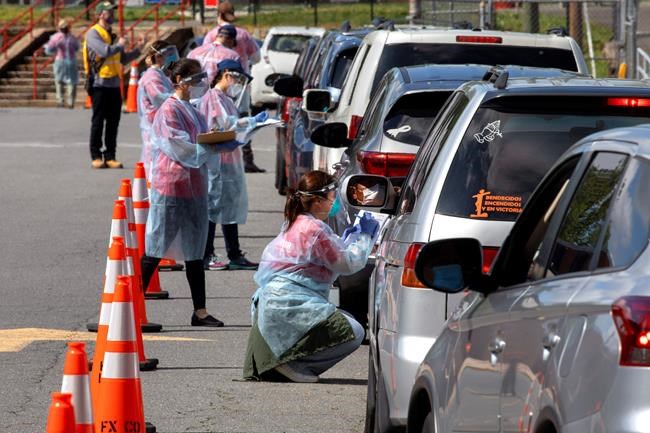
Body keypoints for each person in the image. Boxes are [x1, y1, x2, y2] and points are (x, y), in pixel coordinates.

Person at [243, 170, 379, 382]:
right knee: (354, 332)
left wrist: (345, 241)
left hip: (275, 303)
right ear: (317, 202)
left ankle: (286, 363)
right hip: (288, 304)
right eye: (332, 199)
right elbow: (347, 264)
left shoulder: (296, 222)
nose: (334, 204)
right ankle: (295, 365)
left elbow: (326, 256)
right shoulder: (314, 229)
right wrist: (363, 237)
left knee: (347, 320)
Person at [139, 58, 224, 327]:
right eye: (195, 79)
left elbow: (198, 141)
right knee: (155, 248)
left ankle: (200, 311)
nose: (200, 84)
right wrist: (206, 147)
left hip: (194, 187)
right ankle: (131, 308)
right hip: (172, 186)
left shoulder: (193, 110)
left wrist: (214, 138)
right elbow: (179, 146)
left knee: (195, 251)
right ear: (181, 82)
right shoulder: (169, 110)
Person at [197, 59, 267, 271]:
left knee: (228, 208)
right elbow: (225, 124)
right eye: (236, 77)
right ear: (225, 74)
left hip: (228, 158)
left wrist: (251, 123)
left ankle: (234, 253)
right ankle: (206, 254)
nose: (237, 82)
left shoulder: (223, 98)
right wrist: (251, 122)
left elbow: (231, 124)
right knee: (213, 208)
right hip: (218, 159)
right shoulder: (213, 98)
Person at [202, 0, 265, 173]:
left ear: (218, 15)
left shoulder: (210, 35)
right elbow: (257, 58)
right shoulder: (243, 34)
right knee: (242, 120)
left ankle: (218, 158)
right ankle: (246, 159)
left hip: (213, 87)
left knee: (214, 122)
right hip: (240, 86)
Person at [84, 1, 142, 169]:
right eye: (109, 12)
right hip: (99, 84)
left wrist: (138, 49)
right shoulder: (93, 33)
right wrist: (119, 45)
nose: (113, 15)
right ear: (101, 14)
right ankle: (96, 155)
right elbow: (104, 51)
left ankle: (110, 156)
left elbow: (122, 59)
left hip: (114, 84)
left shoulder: (114, 35)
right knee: (98, 121)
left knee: (113, 122)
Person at [137, 40, 177, 178]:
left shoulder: (161, 75)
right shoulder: (152, 77)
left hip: (159, 129)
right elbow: (161, 99)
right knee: (154, 174)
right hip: (153, 129)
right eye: (169, 54)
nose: (172, 58)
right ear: (159, 56)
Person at [43, 19, 80, 109]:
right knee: (71, 81)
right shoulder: (73, 38)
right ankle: (70, 102)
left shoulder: (56, 37)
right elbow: (77, 48)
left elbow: (49, 50)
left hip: (60, 60)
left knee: (59, 81)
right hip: (71, 61)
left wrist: (50, 48)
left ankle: (60, 101)